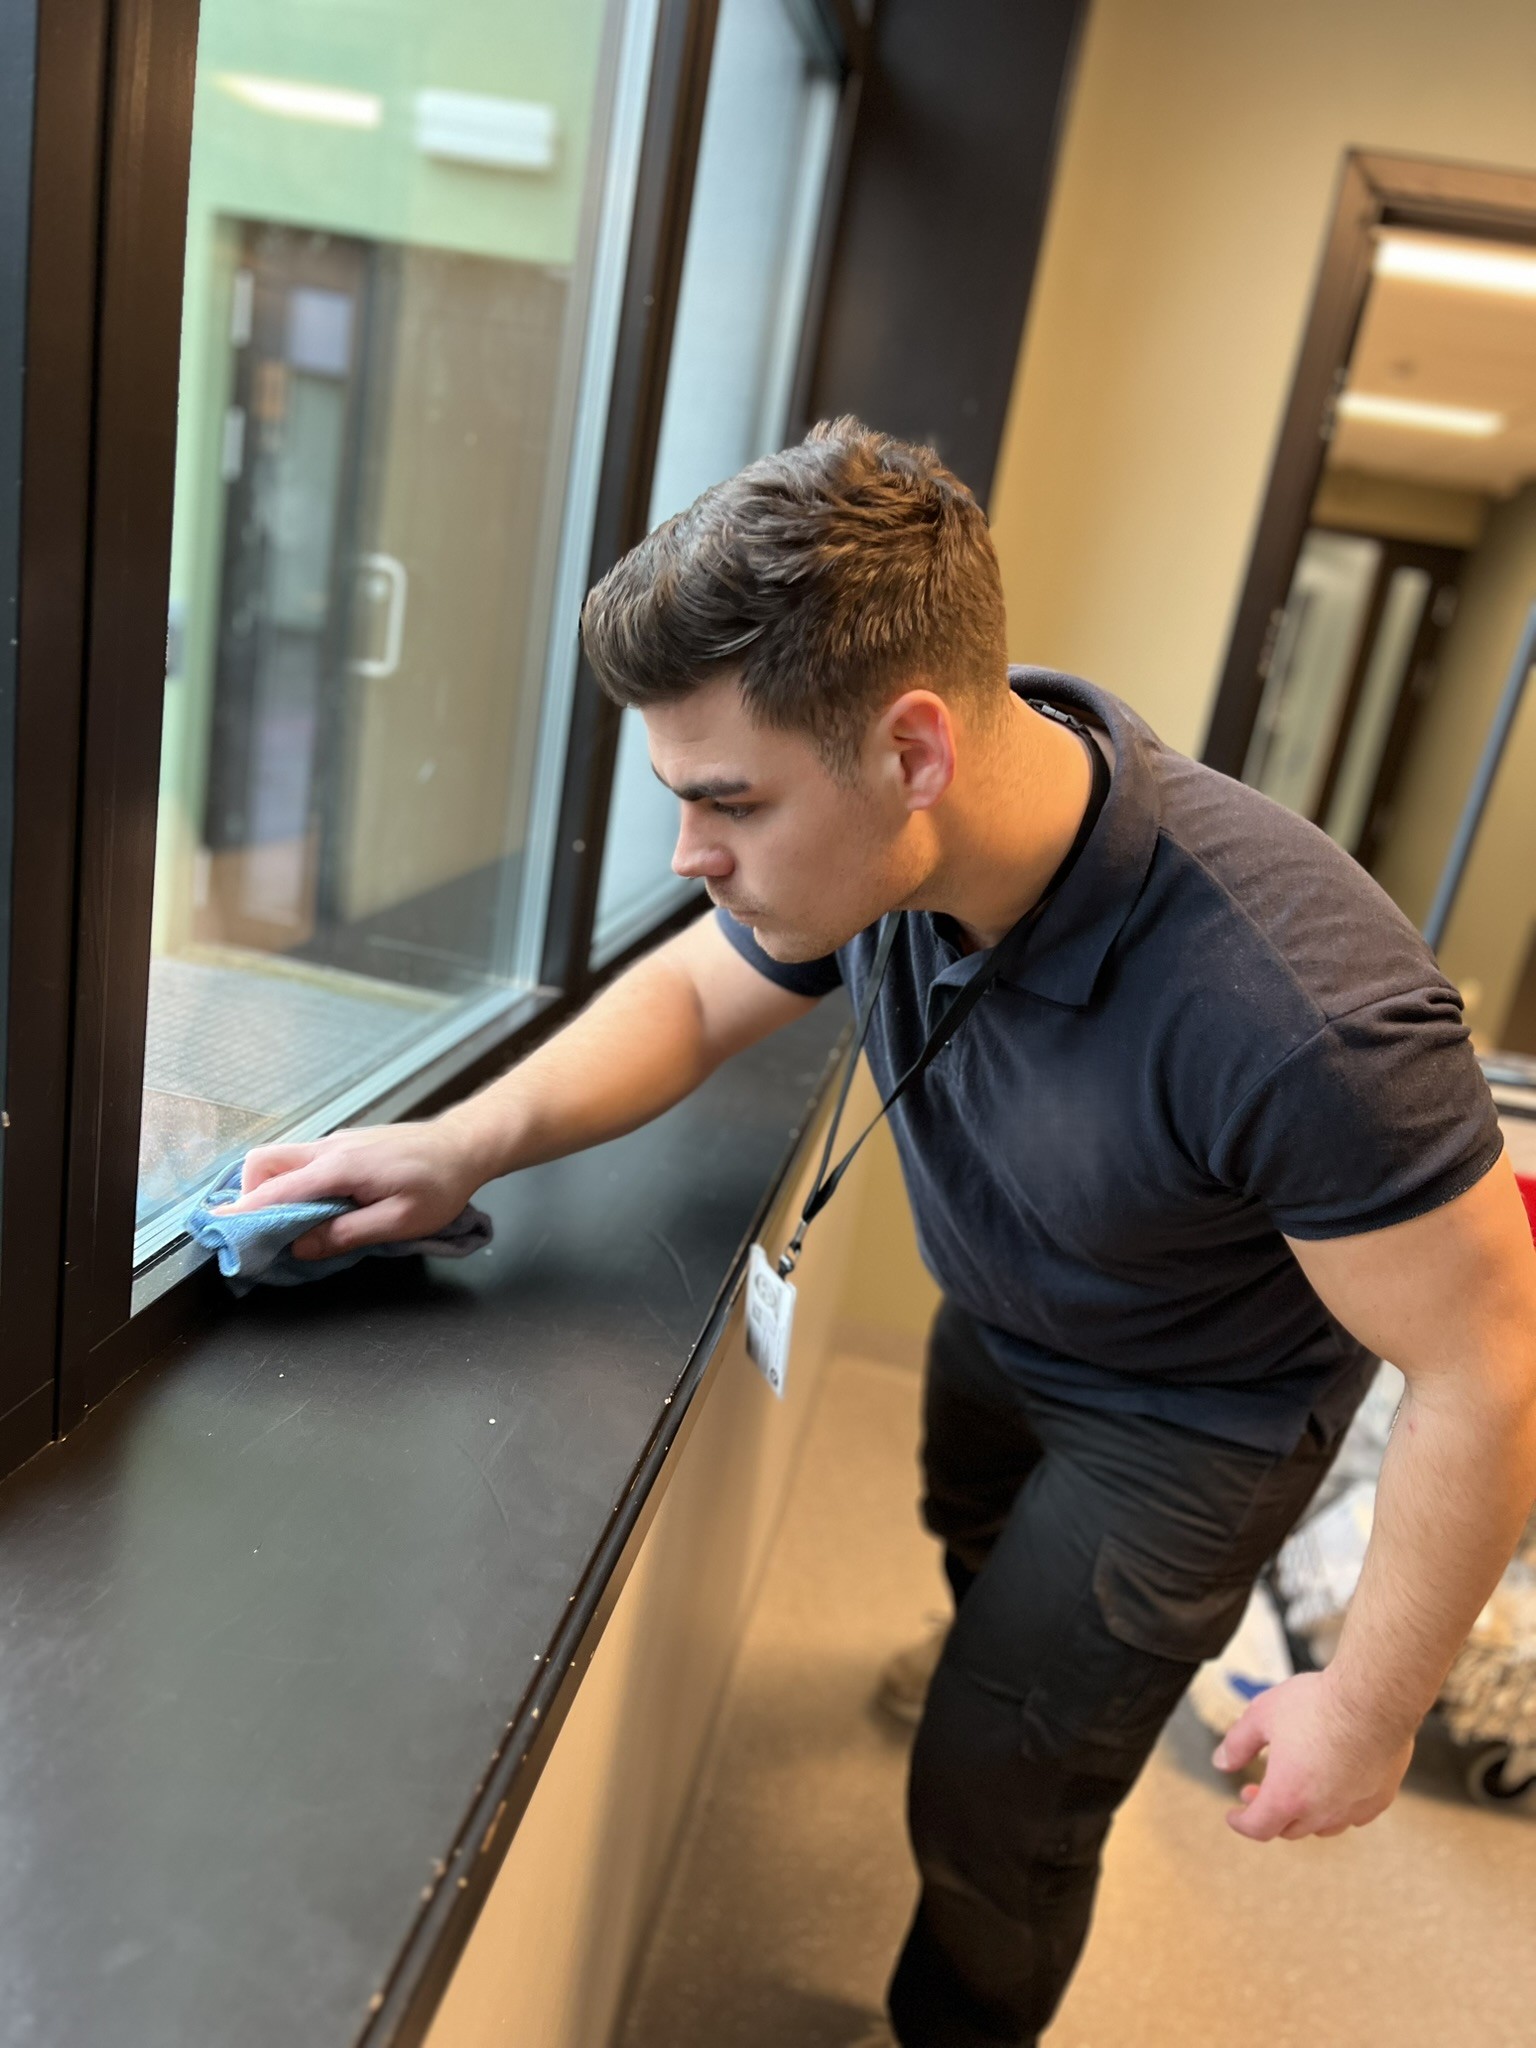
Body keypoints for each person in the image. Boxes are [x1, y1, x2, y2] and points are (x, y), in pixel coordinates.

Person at [225, 420, 1536, 2048]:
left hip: (1193, 1418)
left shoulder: (1300, 1010)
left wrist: (1376, 1706)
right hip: (1003, 1311)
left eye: (727, 803)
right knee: (976, 1548)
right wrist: (451, 1143)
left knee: (997, 1797)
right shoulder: (919, 807)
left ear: (916, 753)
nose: (693, 857)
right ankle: (1026, 1649)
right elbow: (696, 996)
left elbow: (1487, 1363)